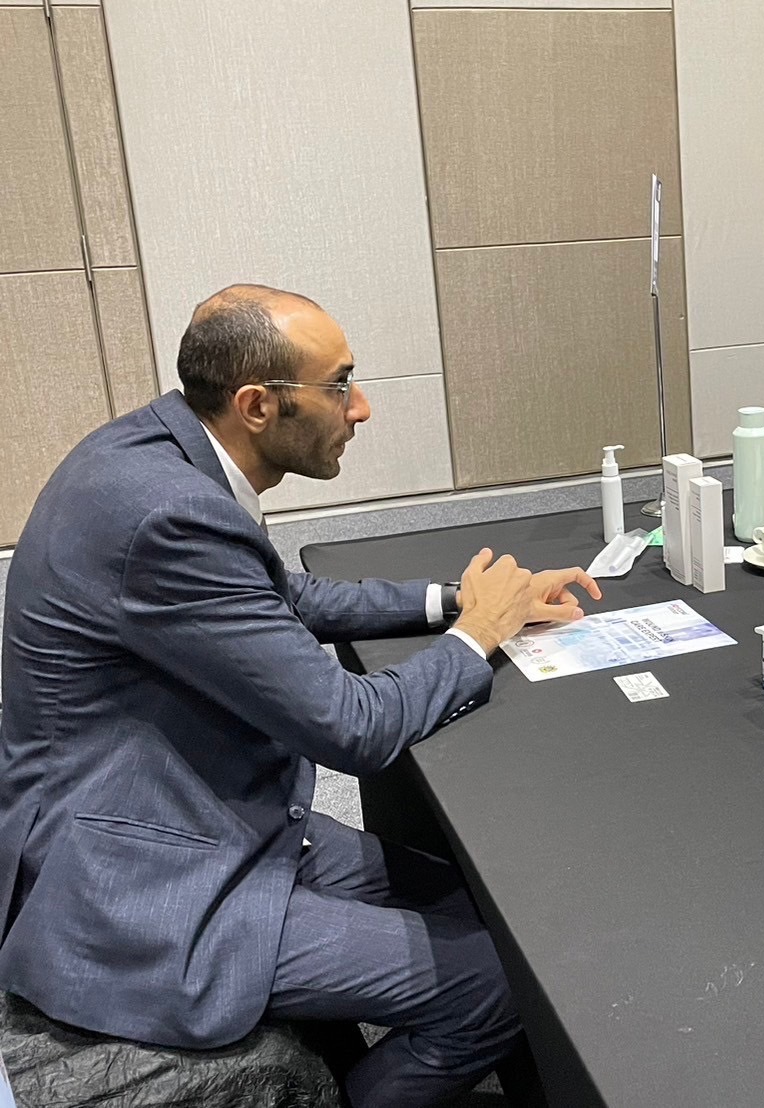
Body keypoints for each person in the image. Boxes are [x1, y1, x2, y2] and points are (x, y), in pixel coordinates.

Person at [0, 284, 601, 1106]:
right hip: (139, 885)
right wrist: (477, 636)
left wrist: (455, 602)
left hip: (200, 817)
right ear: (256, 405)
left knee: (495, 909)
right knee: (498, 983)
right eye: (339, 384)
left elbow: (277, 597)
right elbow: (352, 727)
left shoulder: (156, 454)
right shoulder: (170, 514)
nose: (361, 408)